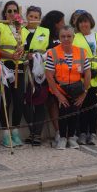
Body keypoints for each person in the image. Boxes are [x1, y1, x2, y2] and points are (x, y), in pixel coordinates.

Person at [46, 25, 91, 149]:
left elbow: (87, 73)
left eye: (69, 36)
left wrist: (84, 93)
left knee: (74, 113)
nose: (66, 39)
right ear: (59, 37)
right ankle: (61, 138)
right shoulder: (53, 52)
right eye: (63, 36)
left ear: (73, 37)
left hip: (77, 89)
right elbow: (49, 76)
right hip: (60, 89)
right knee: (63, 113)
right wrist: (59, 95)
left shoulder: (81, 52)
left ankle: (71, 138)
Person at [73, 11, 97, 145]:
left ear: (90, 22)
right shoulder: (75, 38)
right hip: (82, 78)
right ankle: (82, 133)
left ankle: (92, 133)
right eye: (81, 22)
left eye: (86, 21)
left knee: (93, 107)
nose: (84, 24)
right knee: (82, 107)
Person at [0, 1, 25, 147]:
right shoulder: (0, 26)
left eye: (15, 11)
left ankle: (15, 131)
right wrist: (10, 55)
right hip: (5, 65)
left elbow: (24, 48)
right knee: (5, 100)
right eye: (9, 11)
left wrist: (21, 52)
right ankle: (6, 134)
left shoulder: (21, 28)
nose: (12, 14)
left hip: (18, 66)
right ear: (5, 13)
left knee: (19, 101)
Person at [21, 5, 50, 146]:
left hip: (40, 69)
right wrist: (27, 55)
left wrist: (39, 56)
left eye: (36, 17)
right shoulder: (19, 30)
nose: (33, 19)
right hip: (25, 68)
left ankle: (37, 134)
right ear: (26, 16)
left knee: (40, 101)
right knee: (26, 101)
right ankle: (32, 131)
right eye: (31, 16)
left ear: (40, 18)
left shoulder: (46, 31)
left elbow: (50, 50)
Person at [40, 10, 65, 143]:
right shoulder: (44, 35)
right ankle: (58, 131)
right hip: (49, 74)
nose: (64, 24)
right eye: (62, 22)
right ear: (56, 23)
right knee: (52, 103)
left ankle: (68, 130)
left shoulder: (63, 35)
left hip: (65, 74)